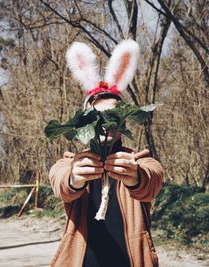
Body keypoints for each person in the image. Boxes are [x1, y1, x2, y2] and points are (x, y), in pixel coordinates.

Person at [48, 40, 164, 267]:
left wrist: (135, 177)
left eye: (113, 116)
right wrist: (75, 178)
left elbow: (153, 180)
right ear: (84, 121)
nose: (104, 123)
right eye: (96, 116)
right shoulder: (71, 162)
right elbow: (60, 183)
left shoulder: (139, 161)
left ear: (123, 120)